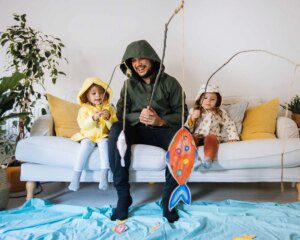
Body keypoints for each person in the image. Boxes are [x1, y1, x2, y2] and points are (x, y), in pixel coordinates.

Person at [108, 40, 188, 223]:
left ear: (152, 59)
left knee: (183, 138)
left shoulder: (171, 83)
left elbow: (183, 115)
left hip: (162, 131)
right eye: (133, 60)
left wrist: (160, 120)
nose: (138, 63)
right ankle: (123, 197)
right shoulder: (128, 86)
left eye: (142, 58)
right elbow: (121, 114)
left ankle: (168, 200)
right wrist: (139, 117)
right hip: (136, 131)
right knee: (115, 129)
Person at [69, 77, 118, 191]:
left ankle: (103, 177)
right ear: (86, 96)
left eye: (101, 93)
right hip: (88, 136)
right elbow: (83, 126)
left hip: (103, 136)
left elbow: (114, 127)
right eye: (94, 93)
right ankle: (75, 178)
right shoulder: (84, 110)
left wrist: (108, 118)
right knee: (84, 147)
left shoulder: (109, 109)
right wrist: (93, 118)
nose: (98, 96)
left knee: (105, 145)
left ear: (106, 95)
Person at [185, 84, 239, 169]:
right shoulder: (194, 111)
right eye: (205, 98)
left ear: (217, 101)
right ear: (200, 99)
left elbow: (229, 124)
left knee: (211, 139)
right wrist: (193, 118)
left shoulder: (220, 112)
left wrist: (233, 137)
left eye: (212, 99)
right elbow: (188, 128)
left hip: (212, 136)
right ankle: (192, 159)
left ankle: (208, 159)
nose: (208, 101)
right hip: (197, 135)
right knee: (190, 139)